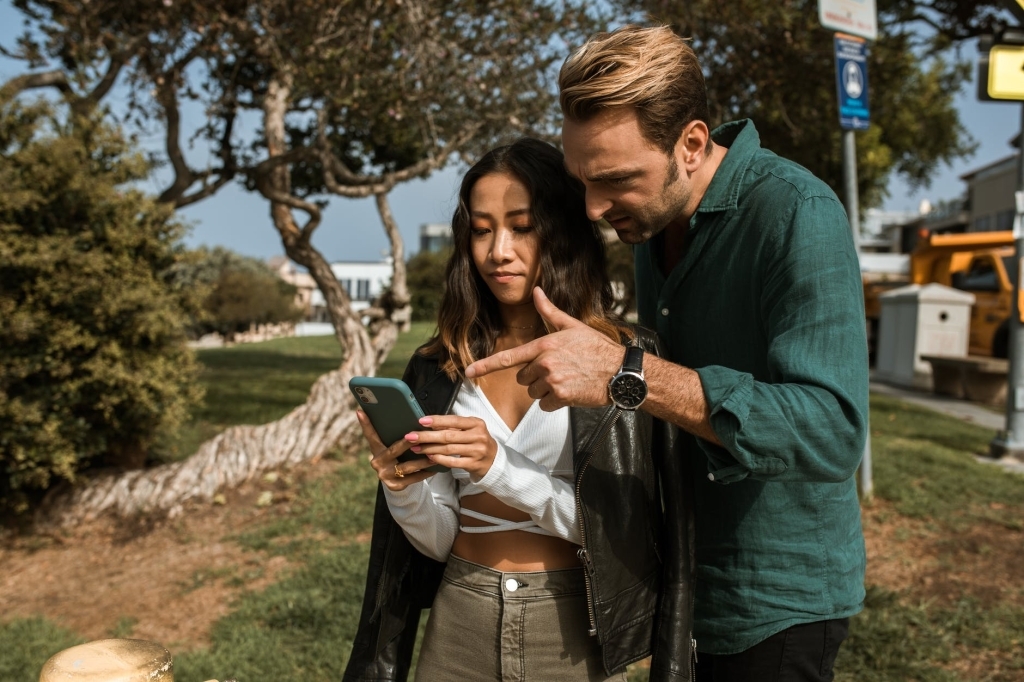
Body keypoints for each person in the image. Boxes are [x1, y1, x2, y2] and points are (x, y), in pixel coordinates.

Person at [465, 26, 869, 682]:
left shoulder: (797, 213)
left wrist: (628, 375)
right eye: (582, 182)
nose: (594, 209)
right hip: (681, 582)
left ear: (691, 144)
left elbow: (833, 429)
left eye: (616, 180)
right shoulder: (651, 224)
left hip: (774, 602)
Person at [342, 138, 695, 682]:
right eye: (481, 230)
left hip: (573, 634)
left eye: (522, 226)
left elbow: (624, 538)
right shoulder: (441, 363)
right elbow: (438, 539)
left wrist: (497, 469)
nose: (497, 251)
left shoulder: (623, 360)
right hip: (460, 618)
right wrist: (404, 487)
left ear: (562, 232)